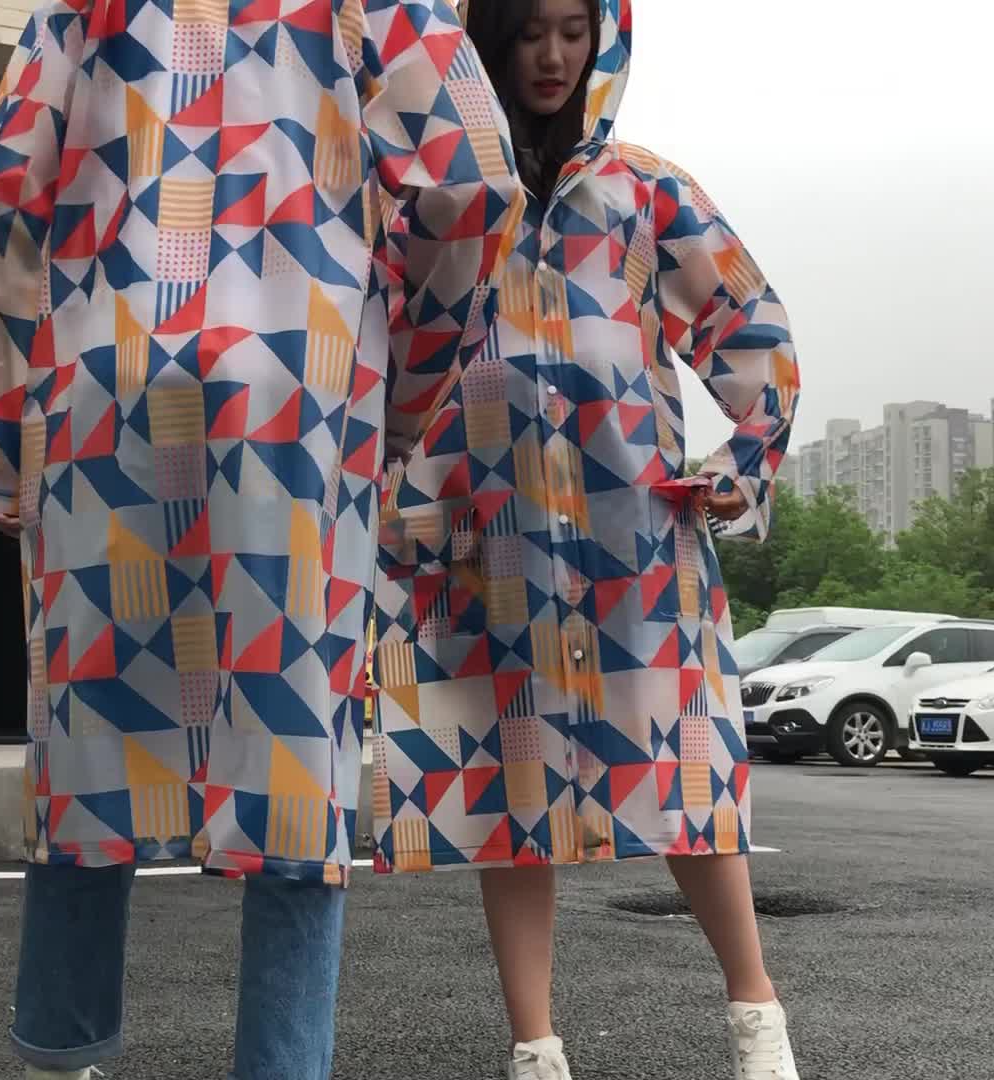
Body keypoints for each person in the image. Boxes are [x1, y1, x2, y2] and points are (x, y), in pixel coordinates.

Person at [0, 4, 521, 1080]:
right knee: (297, 755)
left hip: (102, 379)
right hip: (299, 385)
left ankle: (62, 1053)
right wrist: (404, 380)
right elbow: (471, 180)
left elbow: (6, 193)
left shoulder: (81, 8)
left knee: (85, 738)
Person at [368, 1, 801, 1078]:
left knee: (692, 780)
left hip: (635, 543)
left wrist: (740, 469)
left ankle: (759, 1023)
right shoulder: (442, 202)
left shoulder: (646, 193)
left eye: (572, 29)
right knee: (512, 796)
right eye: (528, 33)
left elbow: (753, 330)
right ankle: (535, 1050)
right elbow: (381, 349)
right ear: (490, 43)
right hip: (485, 544)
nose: (553, 56)